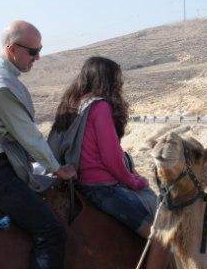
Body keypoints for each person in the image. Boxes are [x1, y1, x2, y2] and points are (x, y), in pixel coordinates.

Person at [0, 20, 76, 269]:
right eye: (33, 51)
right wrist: (57, 168)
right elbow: (28, 135)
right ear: (11, 49)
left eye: (39, 49)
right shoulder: (0, 86)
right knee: (51, 232)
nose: (38, 57)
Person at [51, 56, 171, 268]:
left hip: (76, 183)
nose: (120, 83)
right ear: (106, 80)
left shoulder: (72, 105)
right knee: (162, 236)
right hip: (102, 188)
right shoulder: (101, 107)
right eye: (116, 79)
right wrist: (135, 181)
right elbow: (111, 159)